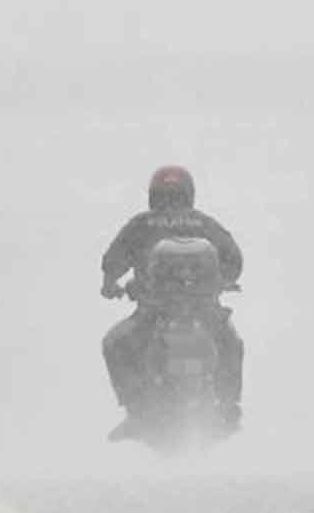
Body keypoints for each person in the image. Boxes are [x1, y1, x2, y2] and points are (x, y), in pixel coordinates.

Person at [100, 165, 244, 436]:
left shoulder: (140, 224)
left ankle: (135, 410)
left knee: (114, 344)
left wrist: (110, 284)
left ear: (153, 195)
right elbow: (234, 259)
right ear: (189, 193)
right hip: (205, 310)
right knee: (233, 344)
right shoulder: (205, 223)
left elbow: (113, 261)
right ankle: (229, 407)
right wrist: (225, 280)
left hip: (153, 312)